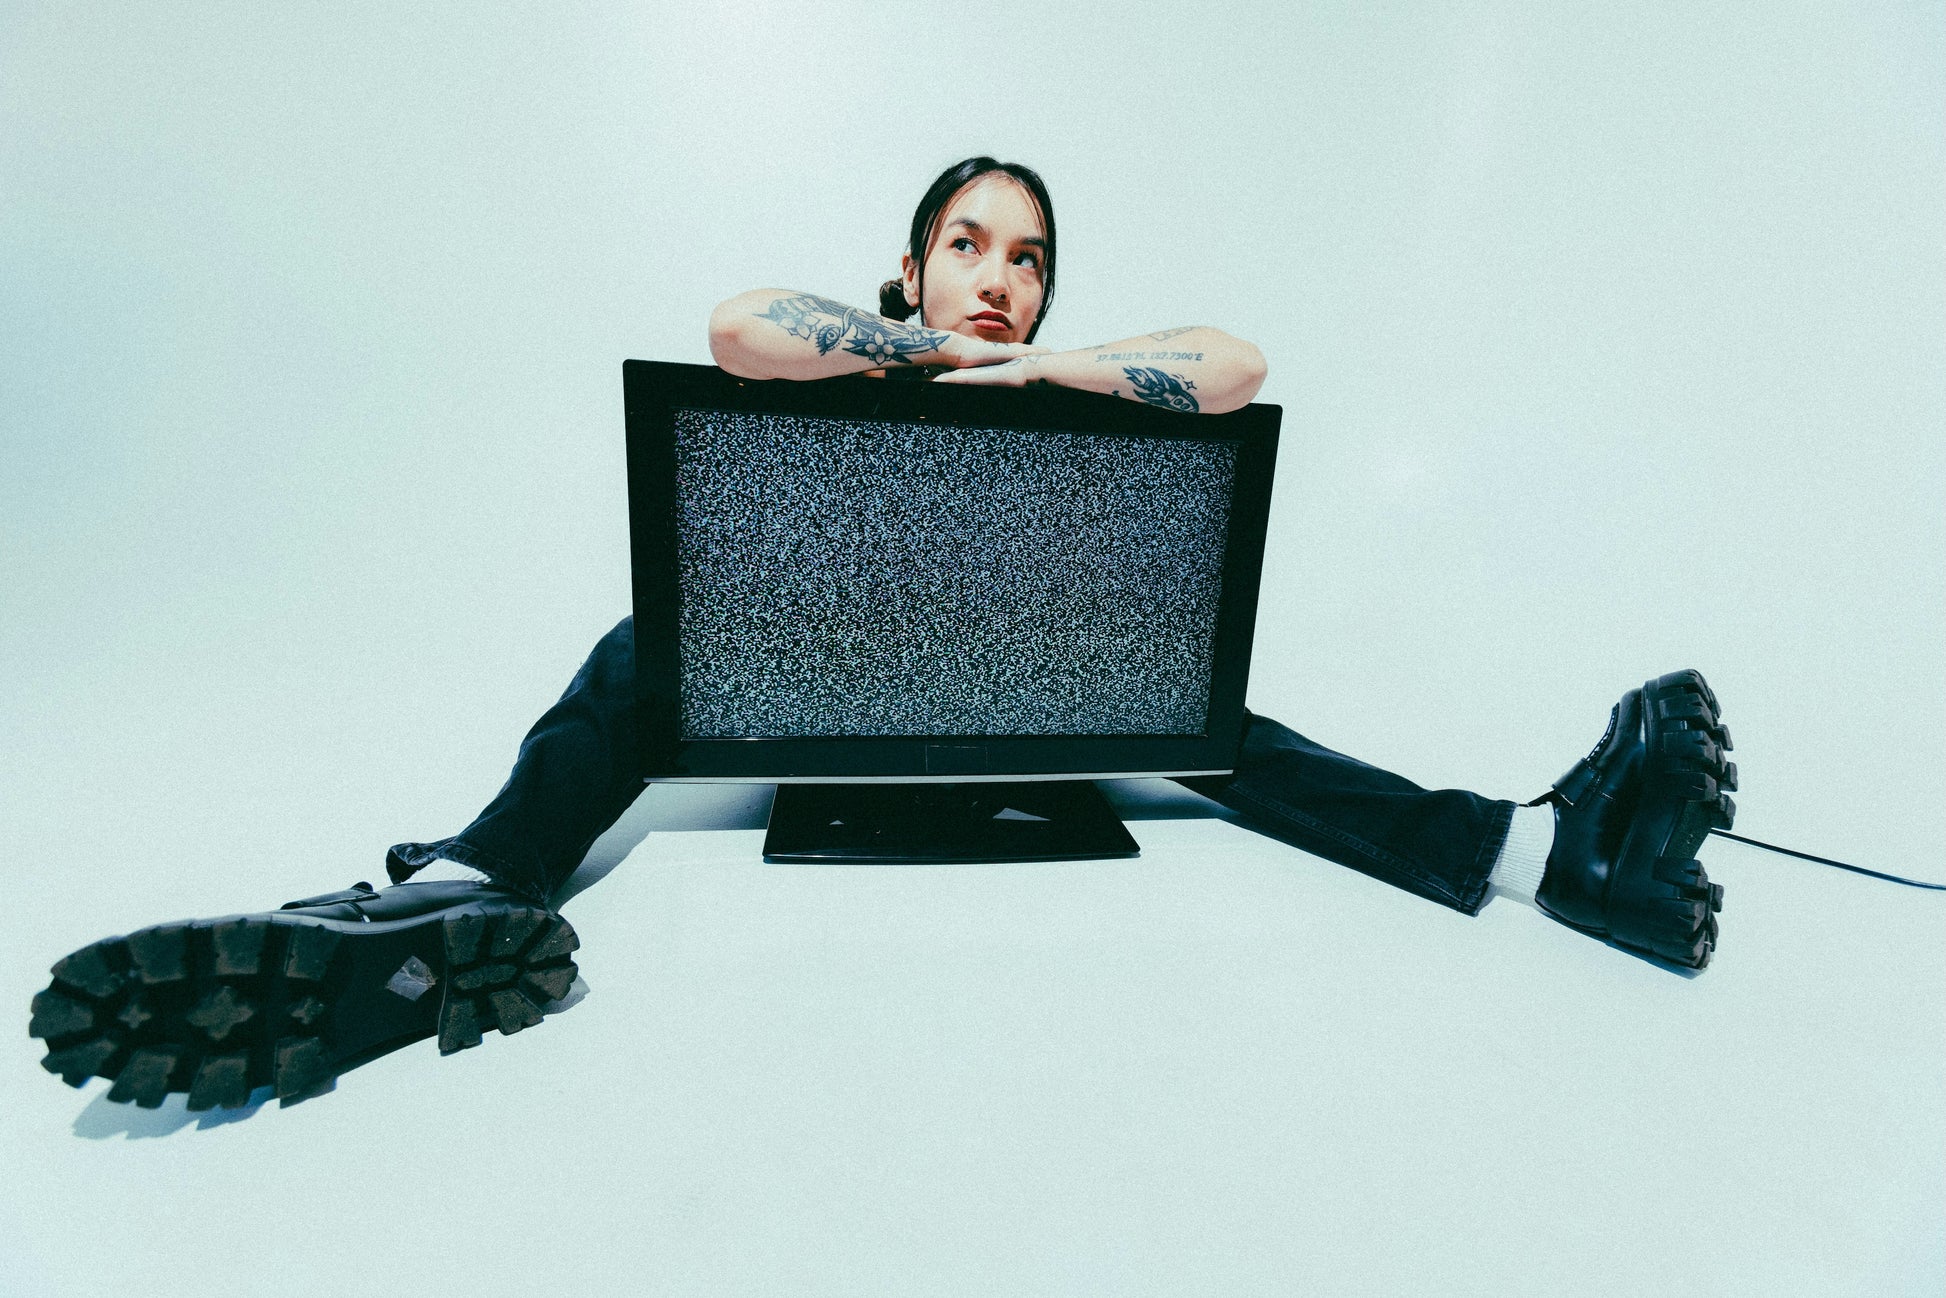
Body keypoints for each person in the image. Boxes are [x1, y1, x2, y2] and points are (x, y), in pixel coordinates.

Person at [29, 156, 1736, 1112]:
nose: (1001, 274)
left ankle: (1546, 855)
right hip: (808, 682)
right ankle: (460, 902)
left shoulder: (1069, 377)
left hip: (1032, 686)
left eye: (1029, 258)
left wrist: (1038, 368)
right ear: (910, 267)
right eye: (969, 246)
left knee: (1216, 723)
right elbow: (733, 326)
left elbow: (1234, 364)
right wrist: (934, 353)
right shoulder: (868, 338)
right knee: (638, 652)